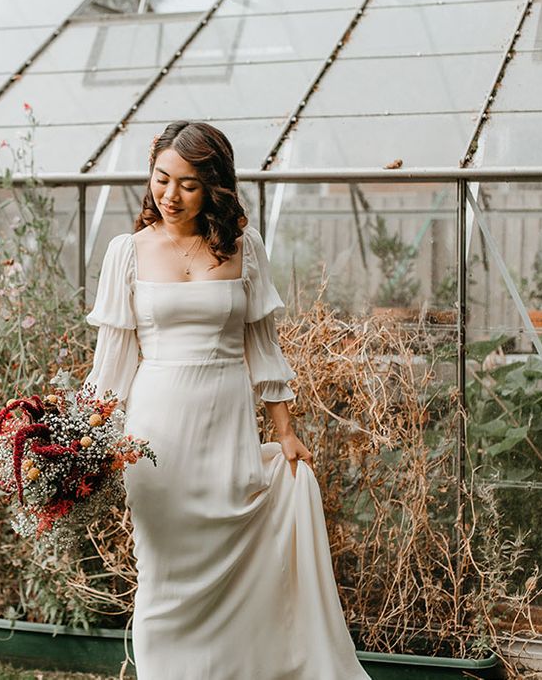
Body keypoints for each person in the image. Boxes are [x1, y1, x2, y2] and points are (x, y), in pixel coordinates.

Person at [83, 121, 370, 679]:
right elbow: (111, 366)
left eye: (188, 184)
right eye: (161, 179)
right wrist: (83, 442)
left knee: (235, 567)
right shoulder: (127, 253)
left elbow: (261, 347)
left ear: (212, 186)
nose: (170, 196)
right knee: (162, 578)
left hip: (226, 425)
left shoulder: (244, 249)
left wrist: (285, 431)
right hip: (154, 438)